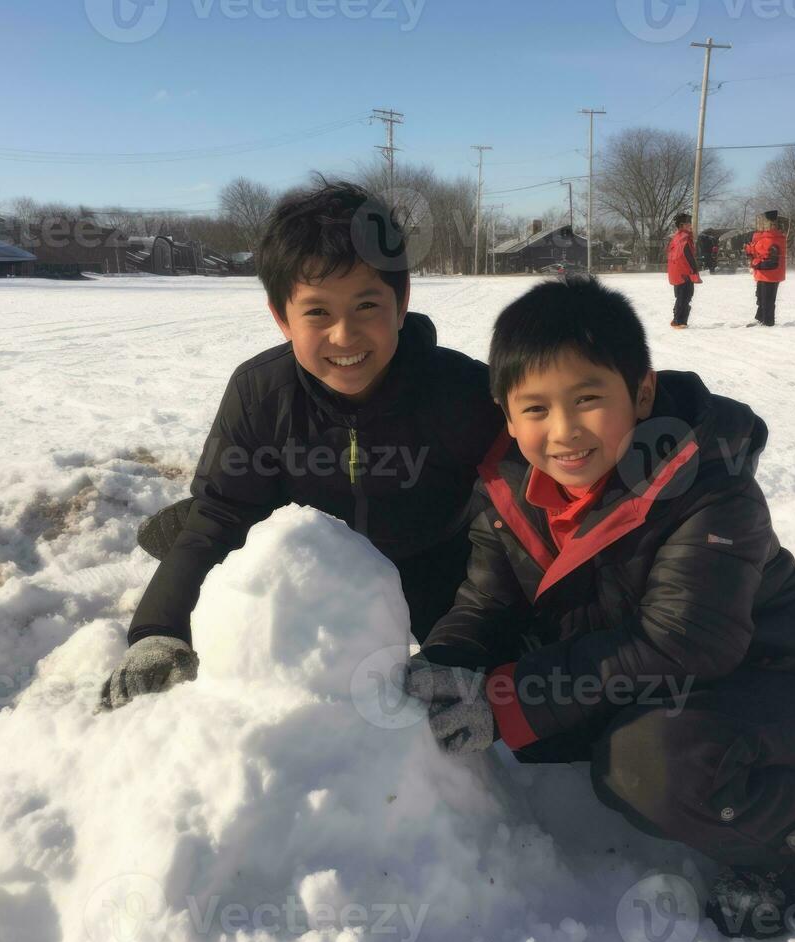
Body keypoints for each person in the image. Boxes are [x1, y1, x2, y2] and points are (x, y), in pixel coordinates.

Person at [403, 276, 795, 939]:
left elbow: (687, 640)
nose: (563, 431)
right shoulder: (509, 494)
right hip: (675, 688)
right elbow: (485, 603)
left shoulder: (707, 487)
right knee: (557, 727)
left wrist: (512, 698)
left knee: (643, 768)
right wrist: (448, 661)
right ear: (506, 416)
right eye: (534, 409)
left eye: (588, 399)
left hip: (790, 683)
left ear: (642, 392)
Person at [100, 178, 503, 711]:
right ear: (281, 316)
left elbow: (508, 527)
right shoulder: (260, 391)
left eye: (366, 306)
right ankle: (181, 524)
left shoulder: (463, 391)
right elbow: (221, 515)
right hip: (309, 570)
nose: (344, 336)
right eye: (317, 312)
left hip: (430, 566)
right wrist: (159, 628)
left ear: (401, 302)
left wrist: (461, 645)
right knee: (215, 512)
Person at [744, 210, 787, 327]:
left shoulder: (775, 238)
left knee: (768, 299)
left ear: (772, 225)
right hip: (761, 273)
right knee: (760, 297)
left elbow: (773, 262)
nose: (761, 226)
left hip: (771, 274)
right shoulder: (761, 237)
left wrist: (756, 264)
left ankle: (768, 322)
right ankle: (760, 319)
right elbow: (756, 251)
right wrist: (749, 252)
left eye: (765, 223)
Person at [666, 212, 702, 329]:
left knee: (682, 296)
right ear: (682, 225)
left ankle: (679, 320)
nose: (690, 225)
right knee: (685, 296)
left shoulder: (677, 238)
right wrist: (694, 268)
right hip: (683, 272)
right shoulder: (683, 238)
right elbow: (686, 255)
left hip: (678, 272)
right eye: (688, 223)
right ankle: (678, 321)